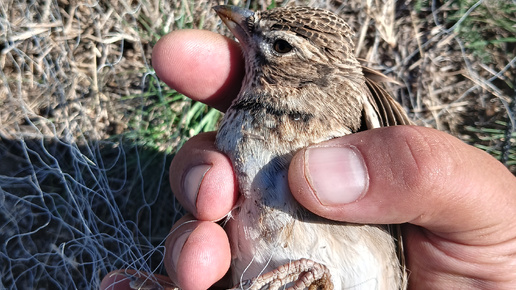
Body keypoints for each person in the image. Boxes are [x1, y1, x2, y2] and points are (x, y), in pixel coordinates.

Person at [101, 29, 516, 290]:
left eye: (280, 46)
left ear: (312, 72)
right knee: (200, 247)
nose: (240, 20)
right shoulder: (237, 120)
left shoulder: (346, 115)